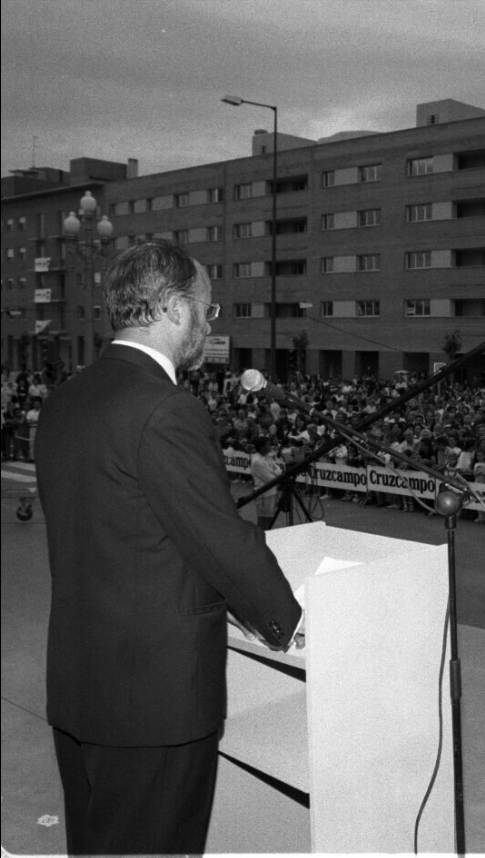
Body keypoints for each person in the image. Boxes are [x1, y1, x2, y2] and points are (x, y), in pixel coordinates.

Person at [36, 240, 304, 855]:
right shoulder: (165, 408)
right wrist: (290, 621)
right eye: (207, 311)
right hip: (153, 703)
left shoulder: (68, 398)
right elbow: (219, 540)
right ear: (176, 309)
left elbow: (125, 533)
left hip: (81, 687)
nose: (208, 325)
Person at [249, 437, 283, 529]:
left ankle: (264, 537)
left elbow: (278, 468)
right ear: (261, 447)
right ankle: (259, 539)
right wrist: (276, 472)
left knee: (269, 518)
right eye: (268, 444)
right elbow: (271, 479)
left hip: (271, 492)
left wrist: (275, 472)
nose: (270, 446)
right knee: (264, 520)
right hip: (263, 494)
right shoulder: (257, 461)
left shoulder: (267, 456)